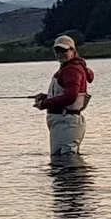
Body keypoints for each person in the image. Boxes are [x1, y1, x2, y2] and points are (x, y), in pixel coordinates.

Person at [34, 35, 92, 165]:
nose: (60, 54)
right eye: (57, 51)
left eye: (64, 50)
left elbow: (70, 97)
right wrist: (46, 96)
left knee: (64, 162)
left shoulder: (72, 70)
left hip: (67, 122)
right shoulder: (67, 68)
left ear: (73, 50)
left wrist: (44, 103)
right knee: (62, 162)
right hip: (64, 122)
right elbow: (65, 94)